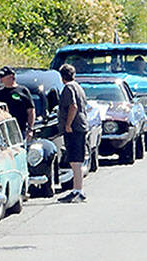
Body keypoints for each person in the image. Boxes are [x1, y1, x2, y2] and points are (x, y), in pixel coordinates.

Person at [57, 64, 88, 203]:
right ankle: (77, 189)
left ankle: (78, 191)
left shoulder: (69, 87)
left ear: (62, 76)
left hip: (74, 128)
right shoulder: (78, 86)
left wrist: (68, 124)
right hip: (81, 126)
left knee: (75, 161)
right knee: (77, 161)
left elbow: (73, 106)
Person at [0, 66, 36, 140]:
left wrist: (30, 129)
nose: (0, 78)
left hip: (20, 129)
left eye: (3, 76)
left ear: (11, 77)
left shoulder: (23, 91)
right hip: (2, 130)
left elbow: (31, 111)